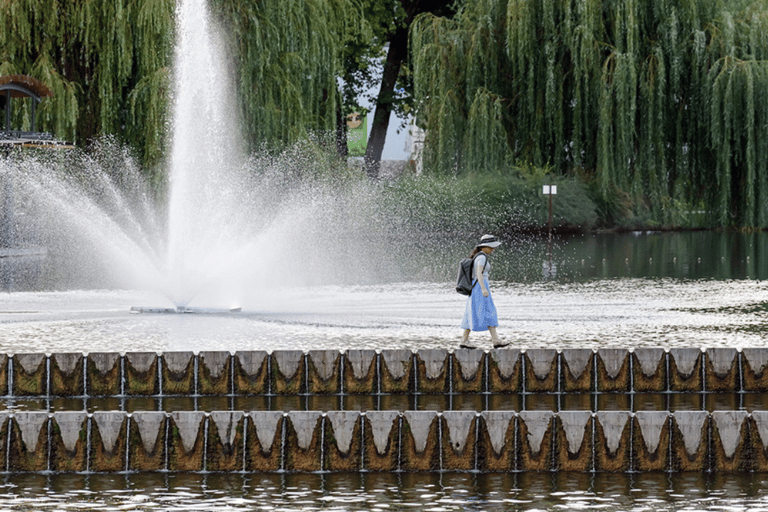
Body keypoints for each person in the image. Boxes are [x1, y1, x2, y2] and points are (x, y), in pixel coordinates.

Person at [460, 234, 508, 349]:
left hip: (477, 287)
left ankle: (465, 340)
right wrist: (483, 288)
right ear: (484, 246)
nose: (493, 249)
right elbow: (478, 273)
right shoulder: (482, 257)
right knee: (489, 311)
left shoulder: (479, 256)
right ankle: (495, 340)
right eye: (491, 247)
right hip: (480, 287)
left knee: (472, 312)